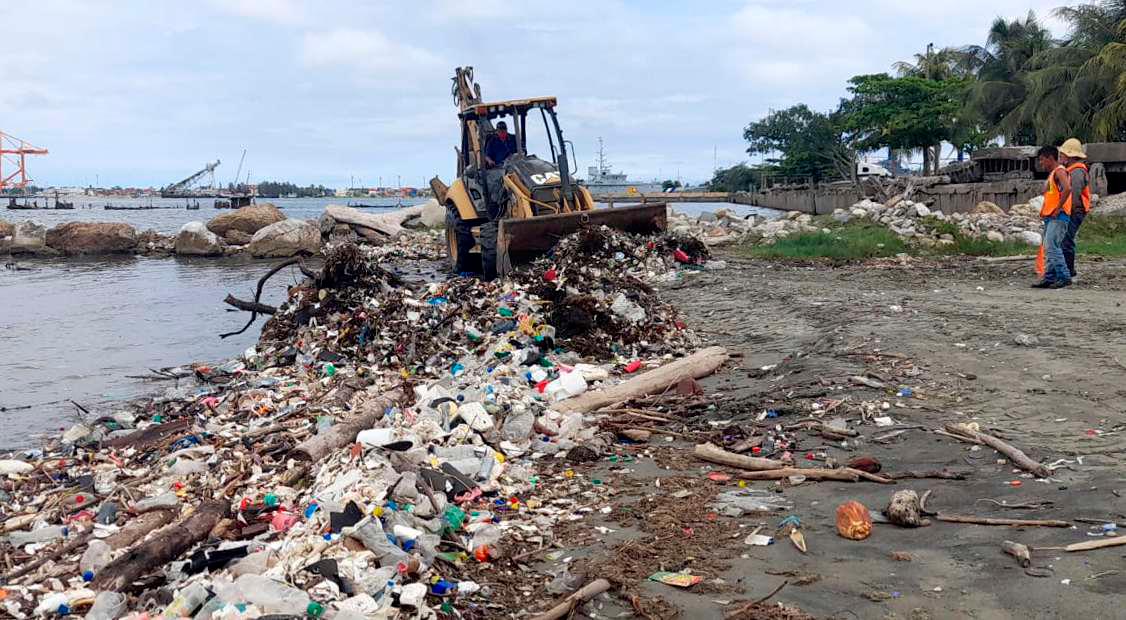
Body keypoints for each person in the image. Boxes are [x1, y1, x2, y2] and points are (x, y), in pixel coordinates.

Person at [1033, 145, 1072, 288]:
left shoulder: (1059, 171)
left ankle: (1064, 276)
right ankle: (1049, 277)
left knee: (1052, 246)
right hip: (1051, 216)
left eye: (1042, 160)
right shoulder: (1054, 173)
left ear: (1050, 158)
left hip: (1058, 216)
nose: (1041, 163)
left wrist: (1058, 208)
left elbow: (1067, 188)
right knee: (1049, 247)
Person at [1058, 138, 1091, 281]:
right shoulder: (1071, 170)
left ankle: (1069, 271)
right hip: (1073, 209)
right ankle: (1067, 270)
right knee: (1066, 240)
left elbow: (1075, 194)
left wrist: (1065, 211)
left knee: (1066, 240)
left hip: (1075, 210)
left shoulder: (1077, 171)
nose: (1061, 157)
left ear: (1070, 156)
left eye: (1063, 154)